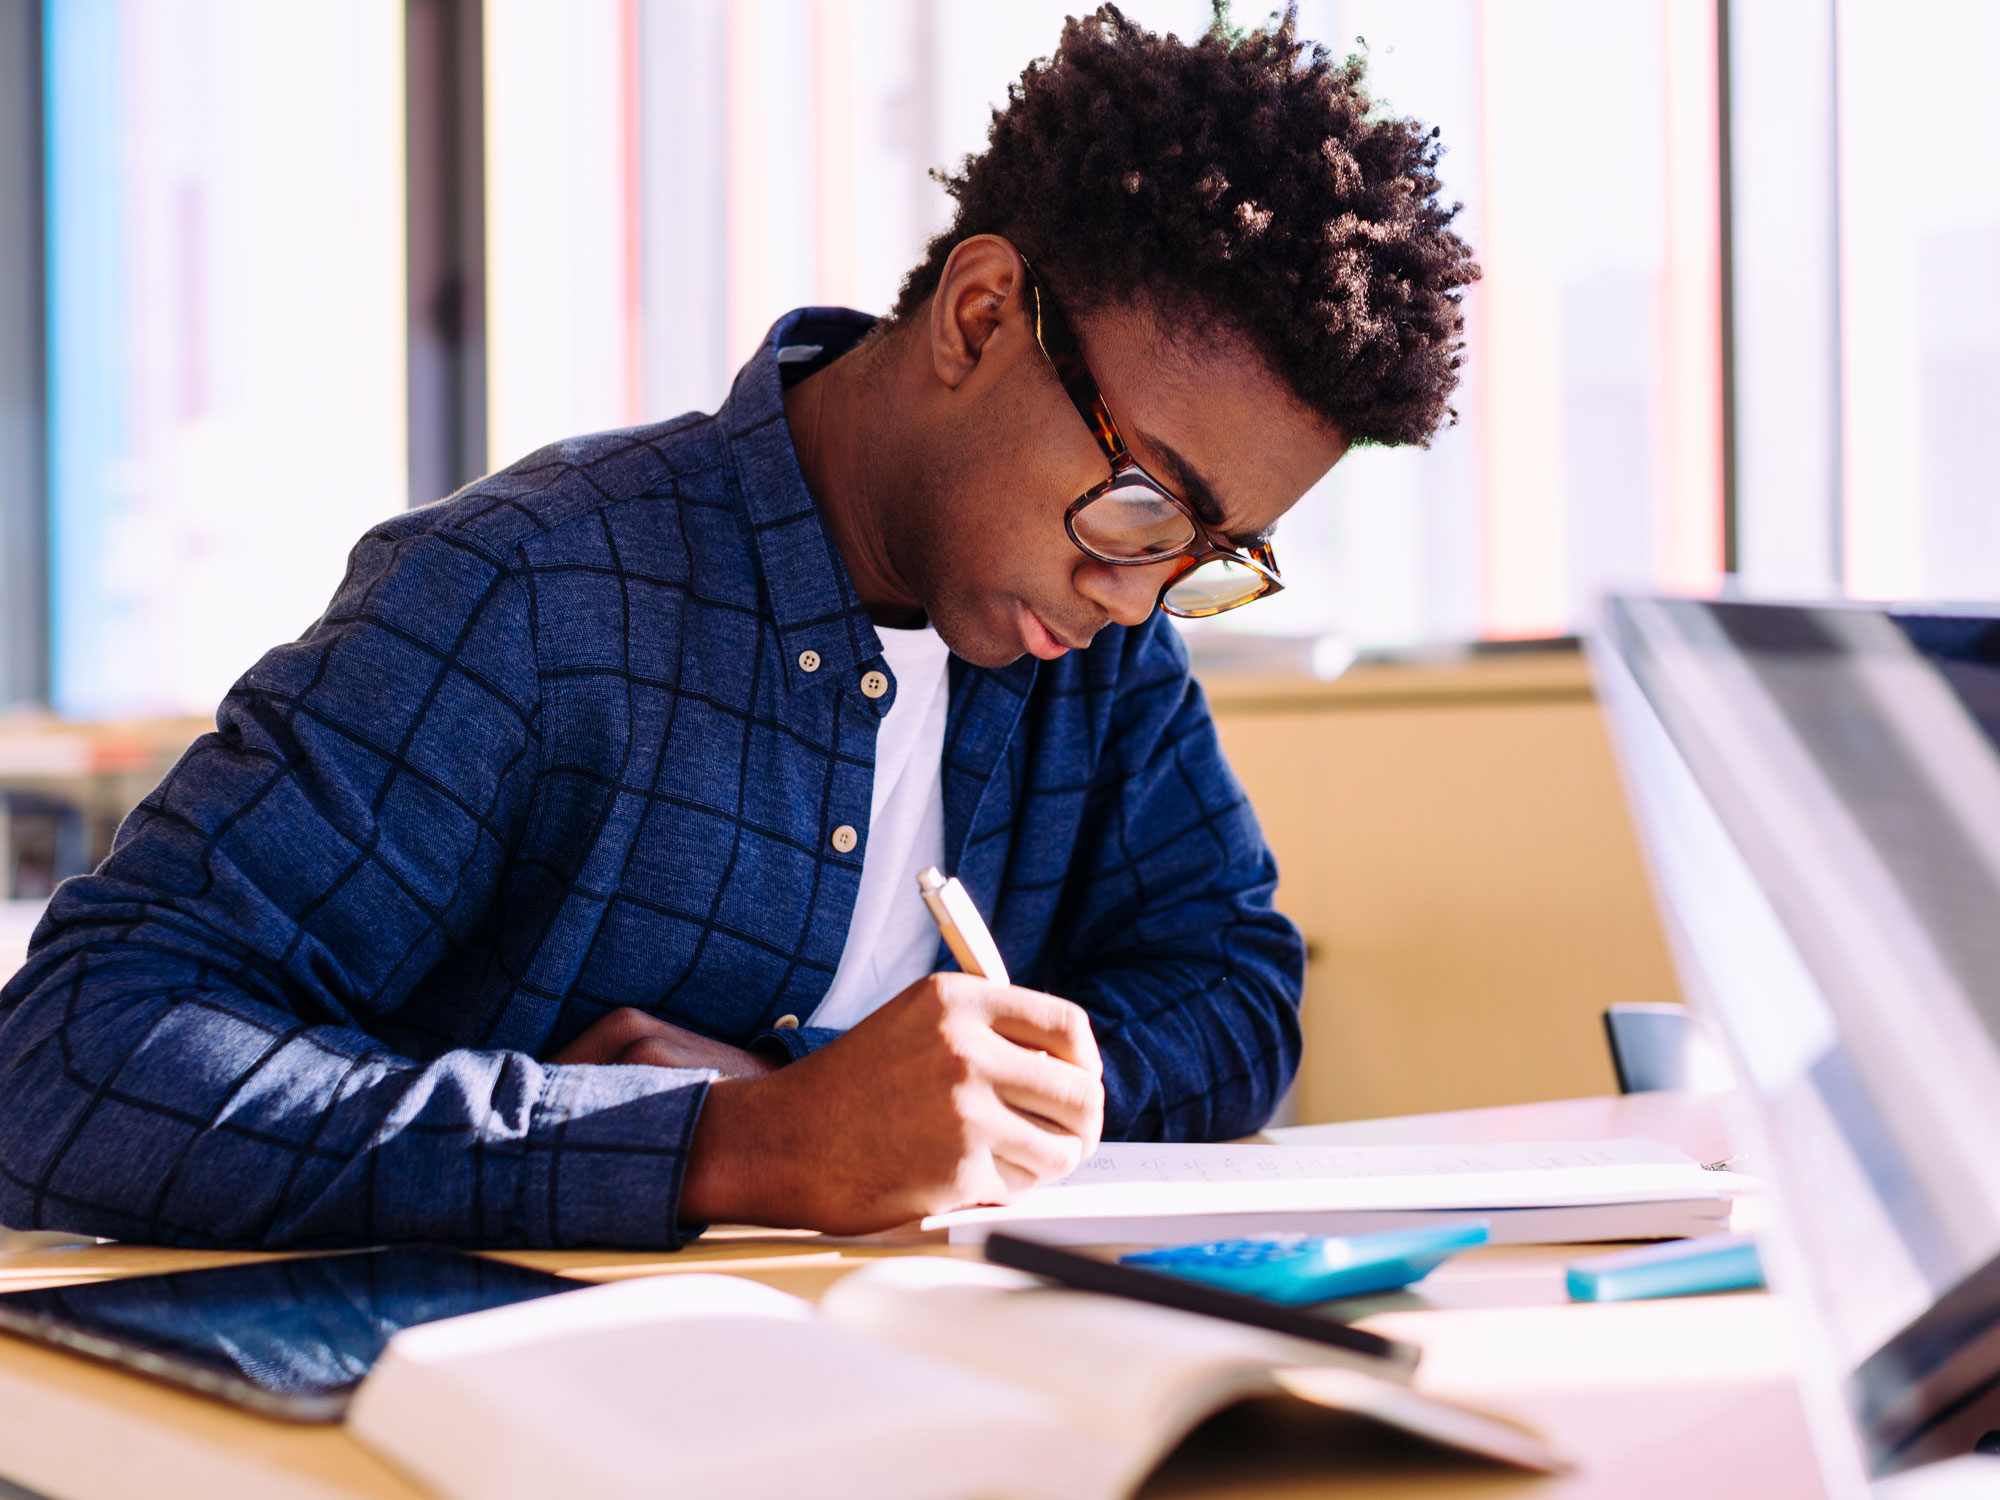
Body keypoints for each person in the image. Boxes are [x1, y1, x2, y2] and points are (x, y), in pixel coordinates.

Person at [0, 6, 1477, 1248]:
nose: (1143, 593)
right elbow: (72, 1058)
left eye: (1215, 554)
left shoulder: (1095, 639)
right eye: (1149, 505)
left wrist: (896, 1098)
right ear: (976, 318)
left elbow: (1232, 984)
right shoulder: (534, 594)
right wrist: (727, 1146)